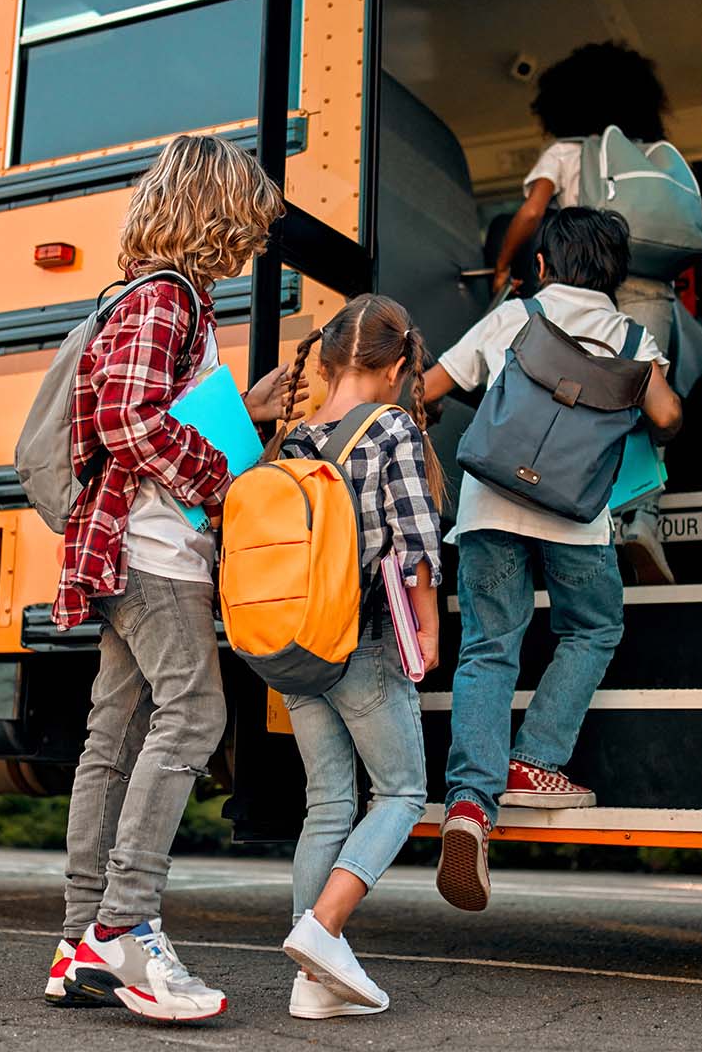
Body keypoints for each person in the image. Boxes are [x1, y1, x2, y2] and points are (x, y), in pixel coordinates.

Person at [47, 134, 292, 1023]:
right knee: (196, 711)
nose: (255, 242)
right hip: (152, 552)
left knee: (112, 739)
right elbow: (126, 417)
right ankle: (127, 925)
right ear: (216, 213)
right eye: (250, 223)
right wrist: (228, 477)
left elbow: (148, 408)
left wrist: (245, 409)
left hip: (123, 545)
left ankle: (82, 943)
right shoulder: (167, 297)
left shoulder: (148, 296)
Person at [421, 207, 682, 913]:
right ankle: (535, 761)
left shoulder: (516, 316)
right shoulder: (631, 334)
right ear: (615, 274)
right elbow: (665, 417)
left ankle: (469, 807)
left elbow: (430, 387)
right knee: (593, 627)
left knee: (488, 649)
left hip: (488, 510)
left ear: (542, 265)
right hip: (575, 516)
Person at [265, 294, 443, 1019]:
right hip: (362, 640)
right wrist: (427, 631)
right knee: (400, 793)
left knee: (328, 803)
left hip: (293, 646)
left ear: (330, 362)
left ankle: (313, 986)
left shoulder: (295, 438)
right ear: (397, 367)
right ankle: (323, 927)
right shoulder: (391, 427)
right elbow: (415, 542)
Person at [488, 41, 702, 582]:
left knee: (590, 403)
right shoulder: (654, 157)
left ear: (563, 104)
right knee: (648, 396)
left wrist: (502, 266)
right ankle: (645, 518)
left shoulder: (566, 152)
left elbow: (533, 211)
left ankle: (592, 516)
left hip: (588, 294)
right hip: (652, 290)